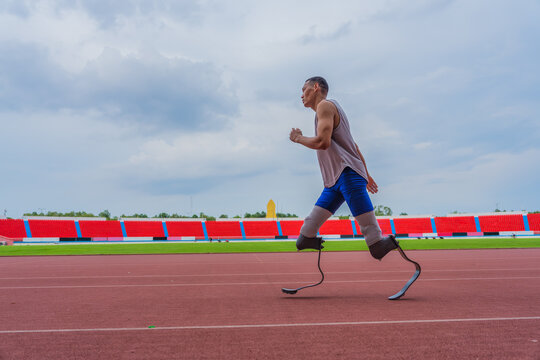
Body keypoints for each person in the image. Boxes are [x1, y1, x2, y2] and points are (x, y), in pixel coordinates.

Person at [290, 76, 397, 260]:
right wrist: (367, 174)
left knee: (373, 239)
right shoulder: (328, 110)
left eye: (304, 89)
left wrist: (298, 138)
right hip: (334, 181)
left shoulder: (325, 106)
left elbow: (323, 142)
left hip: (347, 174)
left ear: (315, 87)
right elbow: (353, 146)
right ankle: (309, 240)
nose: (301, 95)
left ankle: (383, 243)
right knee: (304, 236)